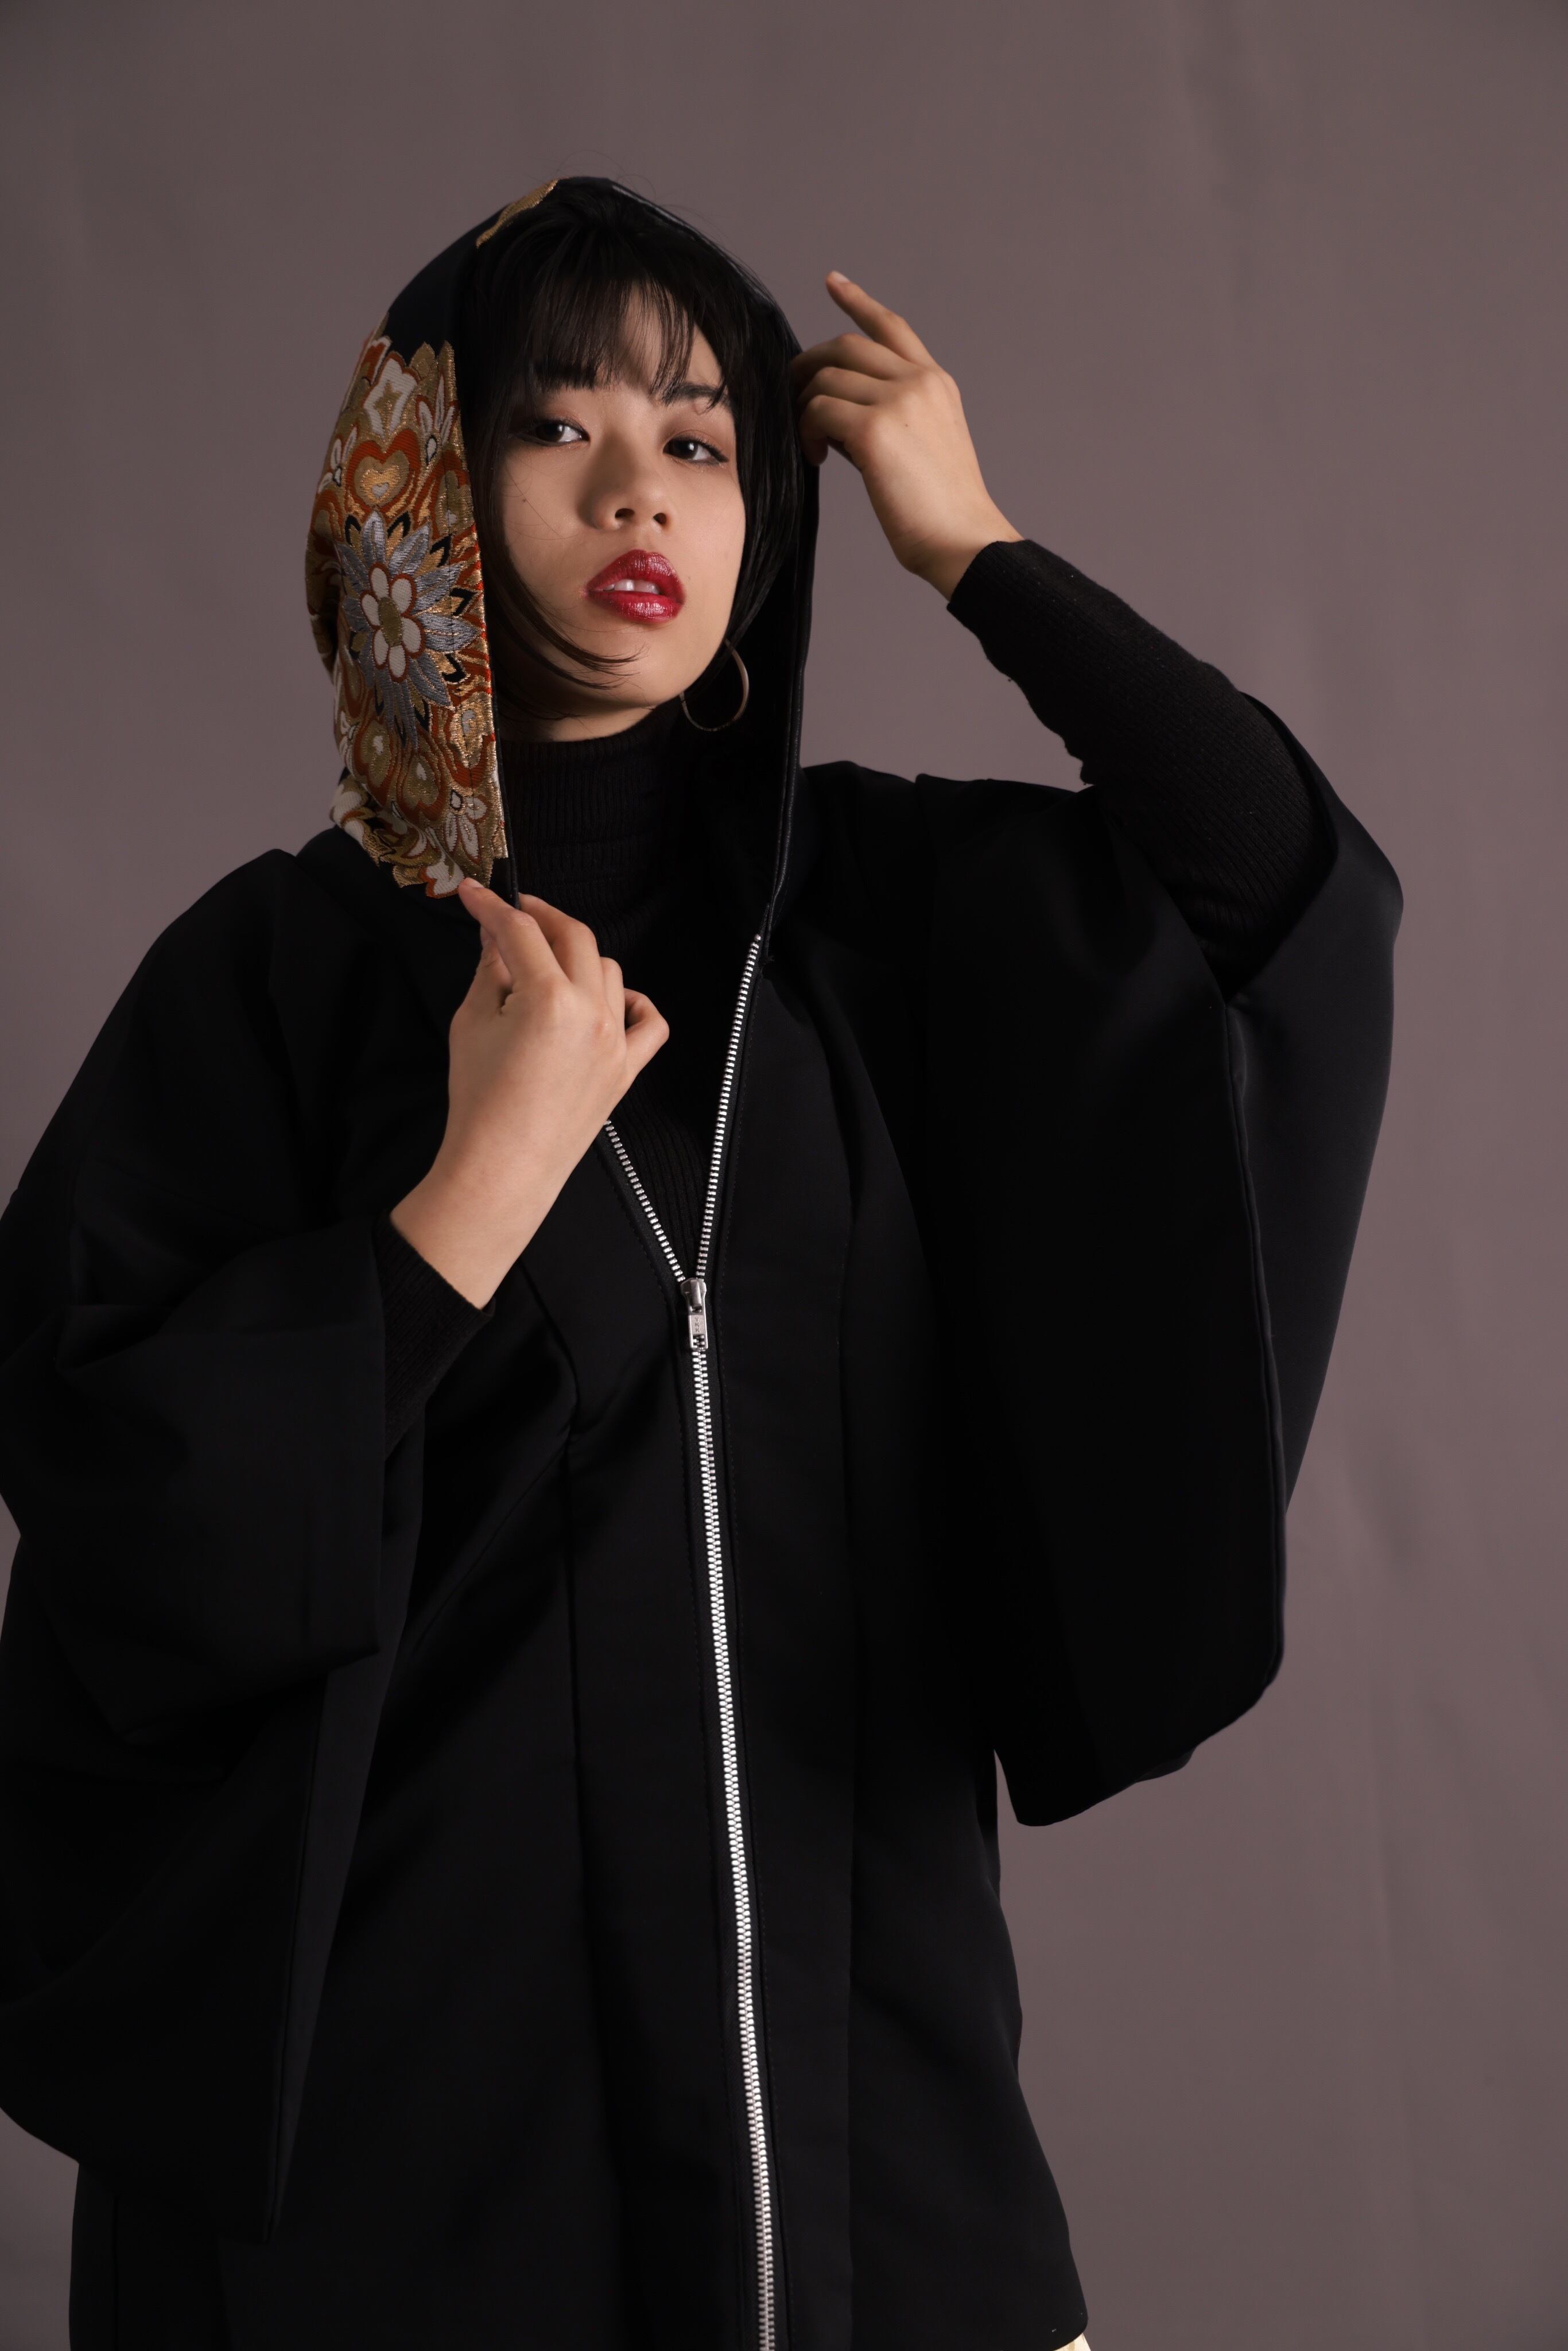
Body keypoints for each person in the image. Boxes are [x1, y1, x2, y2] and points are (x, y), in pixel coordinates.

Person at [0, 177, 1399, 2351]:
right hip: (407, 2146)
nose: (637, 487)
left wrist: (974, 547)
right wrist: (459, 1210)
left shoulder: (887, 916)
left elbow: (1285, 905)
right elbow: (113, 1486)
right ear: (426, 488)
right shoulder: (284, 973)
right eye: (556, 426)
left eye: (701, 437)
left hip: (859, 2106)